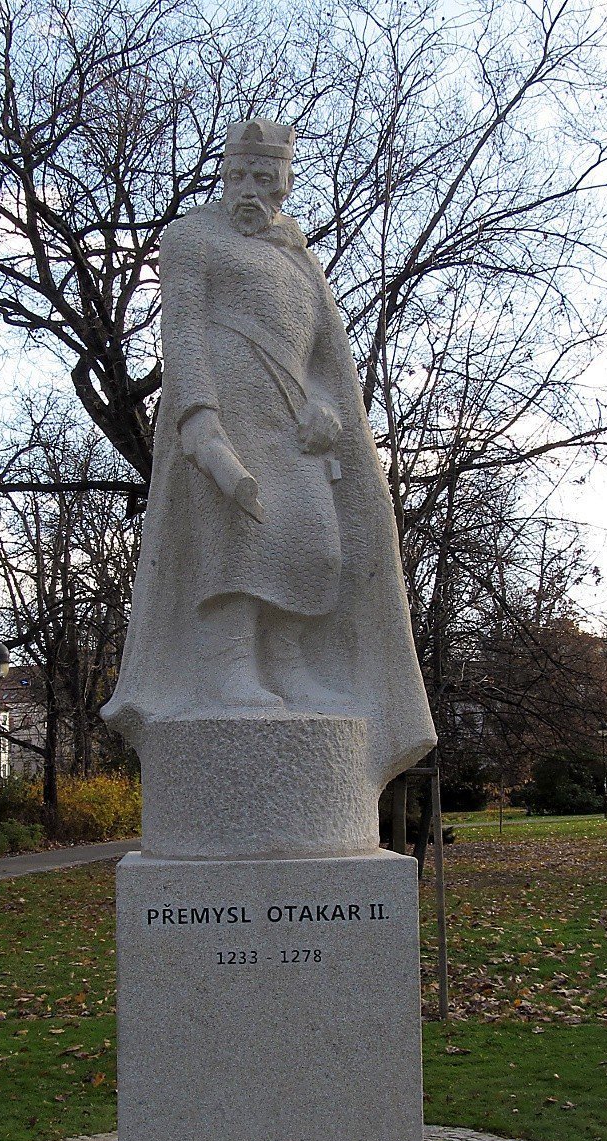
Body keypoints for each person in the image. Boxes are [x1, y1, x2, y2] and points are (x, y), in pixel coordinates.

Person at [102, 119, 436, 788]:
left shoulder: (296, 256)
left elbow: (323, 359)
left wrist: (328, 410)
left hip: (292, 426)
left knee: (315, 544)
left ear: (284, 182)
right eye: (240, 175)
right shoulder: (191, 238)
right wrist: (199, 419)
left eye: (265, 177)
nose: (250, 189)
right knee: (239, 541)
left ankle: (288, 662)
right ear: (224, 175)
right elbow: (185, 330)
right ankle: (231, 668)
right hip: (229, 409)